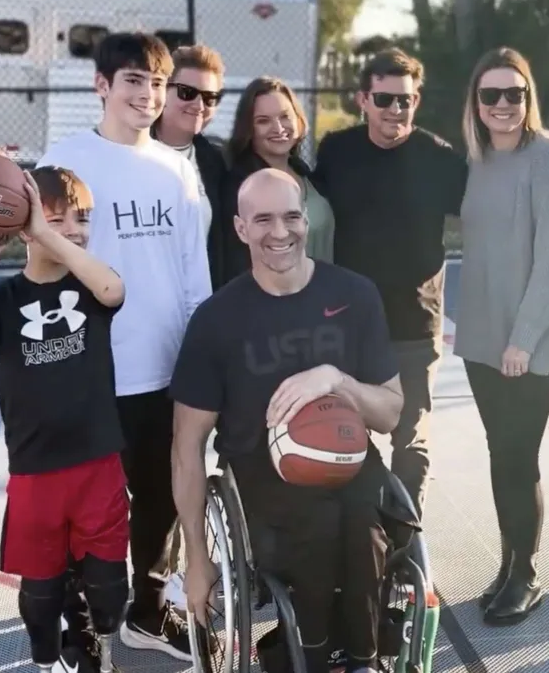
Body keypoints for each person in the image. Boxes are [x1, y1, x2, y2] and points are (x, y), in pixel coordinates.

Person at [171, 168, 404, 673]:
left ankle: (364, 661)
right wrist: (196, 556)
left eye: (292, 216)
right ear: (239, 229)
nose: (280, 232)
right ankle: (313, 659)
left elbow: (389, 412)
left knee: (365, 528)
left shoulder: (355, 295)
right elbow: (187, 446)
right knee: (315, 524)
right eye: (263, 219)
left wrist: (335, 379)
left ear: (307, 219)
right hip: (259, 471)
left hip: (347, 453)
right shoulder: (216, 320)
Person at [36, 31, 209, 660]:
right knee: (86, 504)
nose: (149, 94)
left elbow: (193, 271)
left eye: (158, 83)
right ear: (102, 85)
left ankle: (146, 610)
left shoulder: (176, 167)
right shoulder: (66, 160)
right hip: (92, 367)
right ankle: (79, 619)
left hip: (164, 369)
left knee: (162, 495)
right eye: (134, 81)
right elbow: (44, 260)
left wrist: (202, 345)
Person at [0, 167, 129, 673]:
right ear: (22, 227)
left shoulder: (89, 284)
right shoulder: (2, 300)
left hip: (97, 463)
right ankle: (51, 657)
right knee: (39, 598)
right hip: (36, 470)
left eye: (80, 218)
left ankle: (98, 642)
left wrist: (49, 233)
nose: (73, 229)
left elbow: (112, 291)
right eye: (56, 218)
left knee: (108, 590)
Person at [452, 48, 549, 626]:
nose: (503, 105)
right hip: (482, 338)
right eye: (491, 95)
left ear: (528, 99)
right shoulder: (476, 160)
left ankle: (524, 576)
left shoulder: (547, 155)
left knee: (518, 457)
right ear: (475, 103)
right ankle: (506, 567)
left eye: (515, 94)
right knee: (501, 455)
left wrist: (523, 338)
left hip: (528, 341)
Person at [311, 48, 467, 514]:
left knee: (410, 440)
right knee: (349, 434)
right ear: (363, 99)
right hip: (347, 324)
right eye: (384, 99)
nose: (395, 110)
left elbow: (492, 212)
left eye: (406, 100)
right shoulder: (336, 151)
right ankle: (364, 538)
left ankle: (405, 546)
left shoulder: (439, 158)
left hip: (414, 325)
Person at [218, 76, 334, 283]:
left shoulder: (308, 175)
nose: (279, 128)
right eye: (263, 121)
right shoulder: (241, 188)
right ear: (248, 129)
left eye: (285, 117)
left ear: (298, 119)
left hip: (326, 299)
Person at [152, 44, 230, 290]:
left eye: (210, 98)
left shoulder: (218, 164)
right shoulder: (130, 155)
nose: (199, 105)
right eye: (187, 92)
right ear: (163, 90)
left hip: (201, 306)